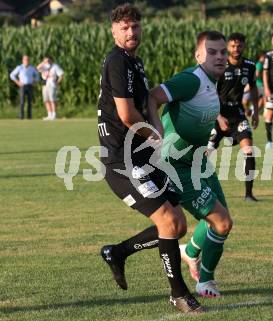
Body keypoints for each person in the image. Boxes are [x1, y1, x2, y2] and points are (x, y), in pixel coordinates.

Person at [97, 4, 202, 314]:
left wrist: (158, 137)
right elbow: (128, 115)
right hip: (121, 161)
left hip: (142, 157)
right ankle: (178, 294)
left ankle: (118, 252)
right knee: (168, 221)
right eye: (125, 28)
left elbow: (145, 107)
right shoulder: (117, 62)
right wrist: (160, 141)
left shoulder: (134, 63)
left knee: (178, 225)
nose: (131, 32)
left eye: (135, 26)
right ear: (114, 31)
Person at [147, 31, 232, 298]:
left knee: (220, 220)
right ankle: (205, 282)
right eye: (212, 52)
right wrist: (155, 130)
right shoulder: (191, 79)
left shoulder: (210, 81)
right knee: (221, 223)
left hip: (198, 161)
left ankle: (191, 252)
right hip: (176, 166)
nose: (219, 57)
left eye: (223, 52)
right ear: (198, 56)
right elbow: (153, 96)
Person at [208, 32, 259, 202]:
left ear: (244, 46)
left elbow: (253, 88)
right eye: (232, 46)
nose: (236, 49)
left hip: (237, 115)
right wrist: (219, 117)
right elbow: (210, 93)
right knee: (206, 154)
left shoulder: (250, 65)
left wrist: (256, 111)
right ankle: (200, 190)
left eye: (239, 46)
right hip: (218, 115)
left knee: (249, 151)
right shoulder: (219, 65)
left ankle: (249, 194)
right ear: (227, 47)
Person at [9, 55, 39, 119]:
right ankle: (21, 116)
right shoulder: (19, 67)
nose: (26, 61)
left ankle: (29, 116)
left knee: (29, 102)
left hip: (30, 86)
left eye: (27, 59)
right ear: (23, 60)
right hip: (22, 86)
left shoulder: (32, 68)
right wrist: (18, 82)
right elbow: (12, 75)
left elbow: (37, 76)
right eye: (25, 59)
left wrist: (34, 82)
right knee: (22, 102)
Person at [37, 56, 64, 120]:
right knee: (46, 100)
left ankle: (54, 115)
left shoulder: (55, 66)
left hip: (52, 85)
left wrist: (57, 82)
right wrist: (43, 62)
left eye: (48, 60)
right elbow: (37, 68)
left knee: (52, 100)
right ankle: (49, 114)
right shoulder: (44, 66)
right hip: (45, 85)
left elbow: (61, 75)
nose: (47, 61)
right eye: (45, 60)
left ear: (51, 60)